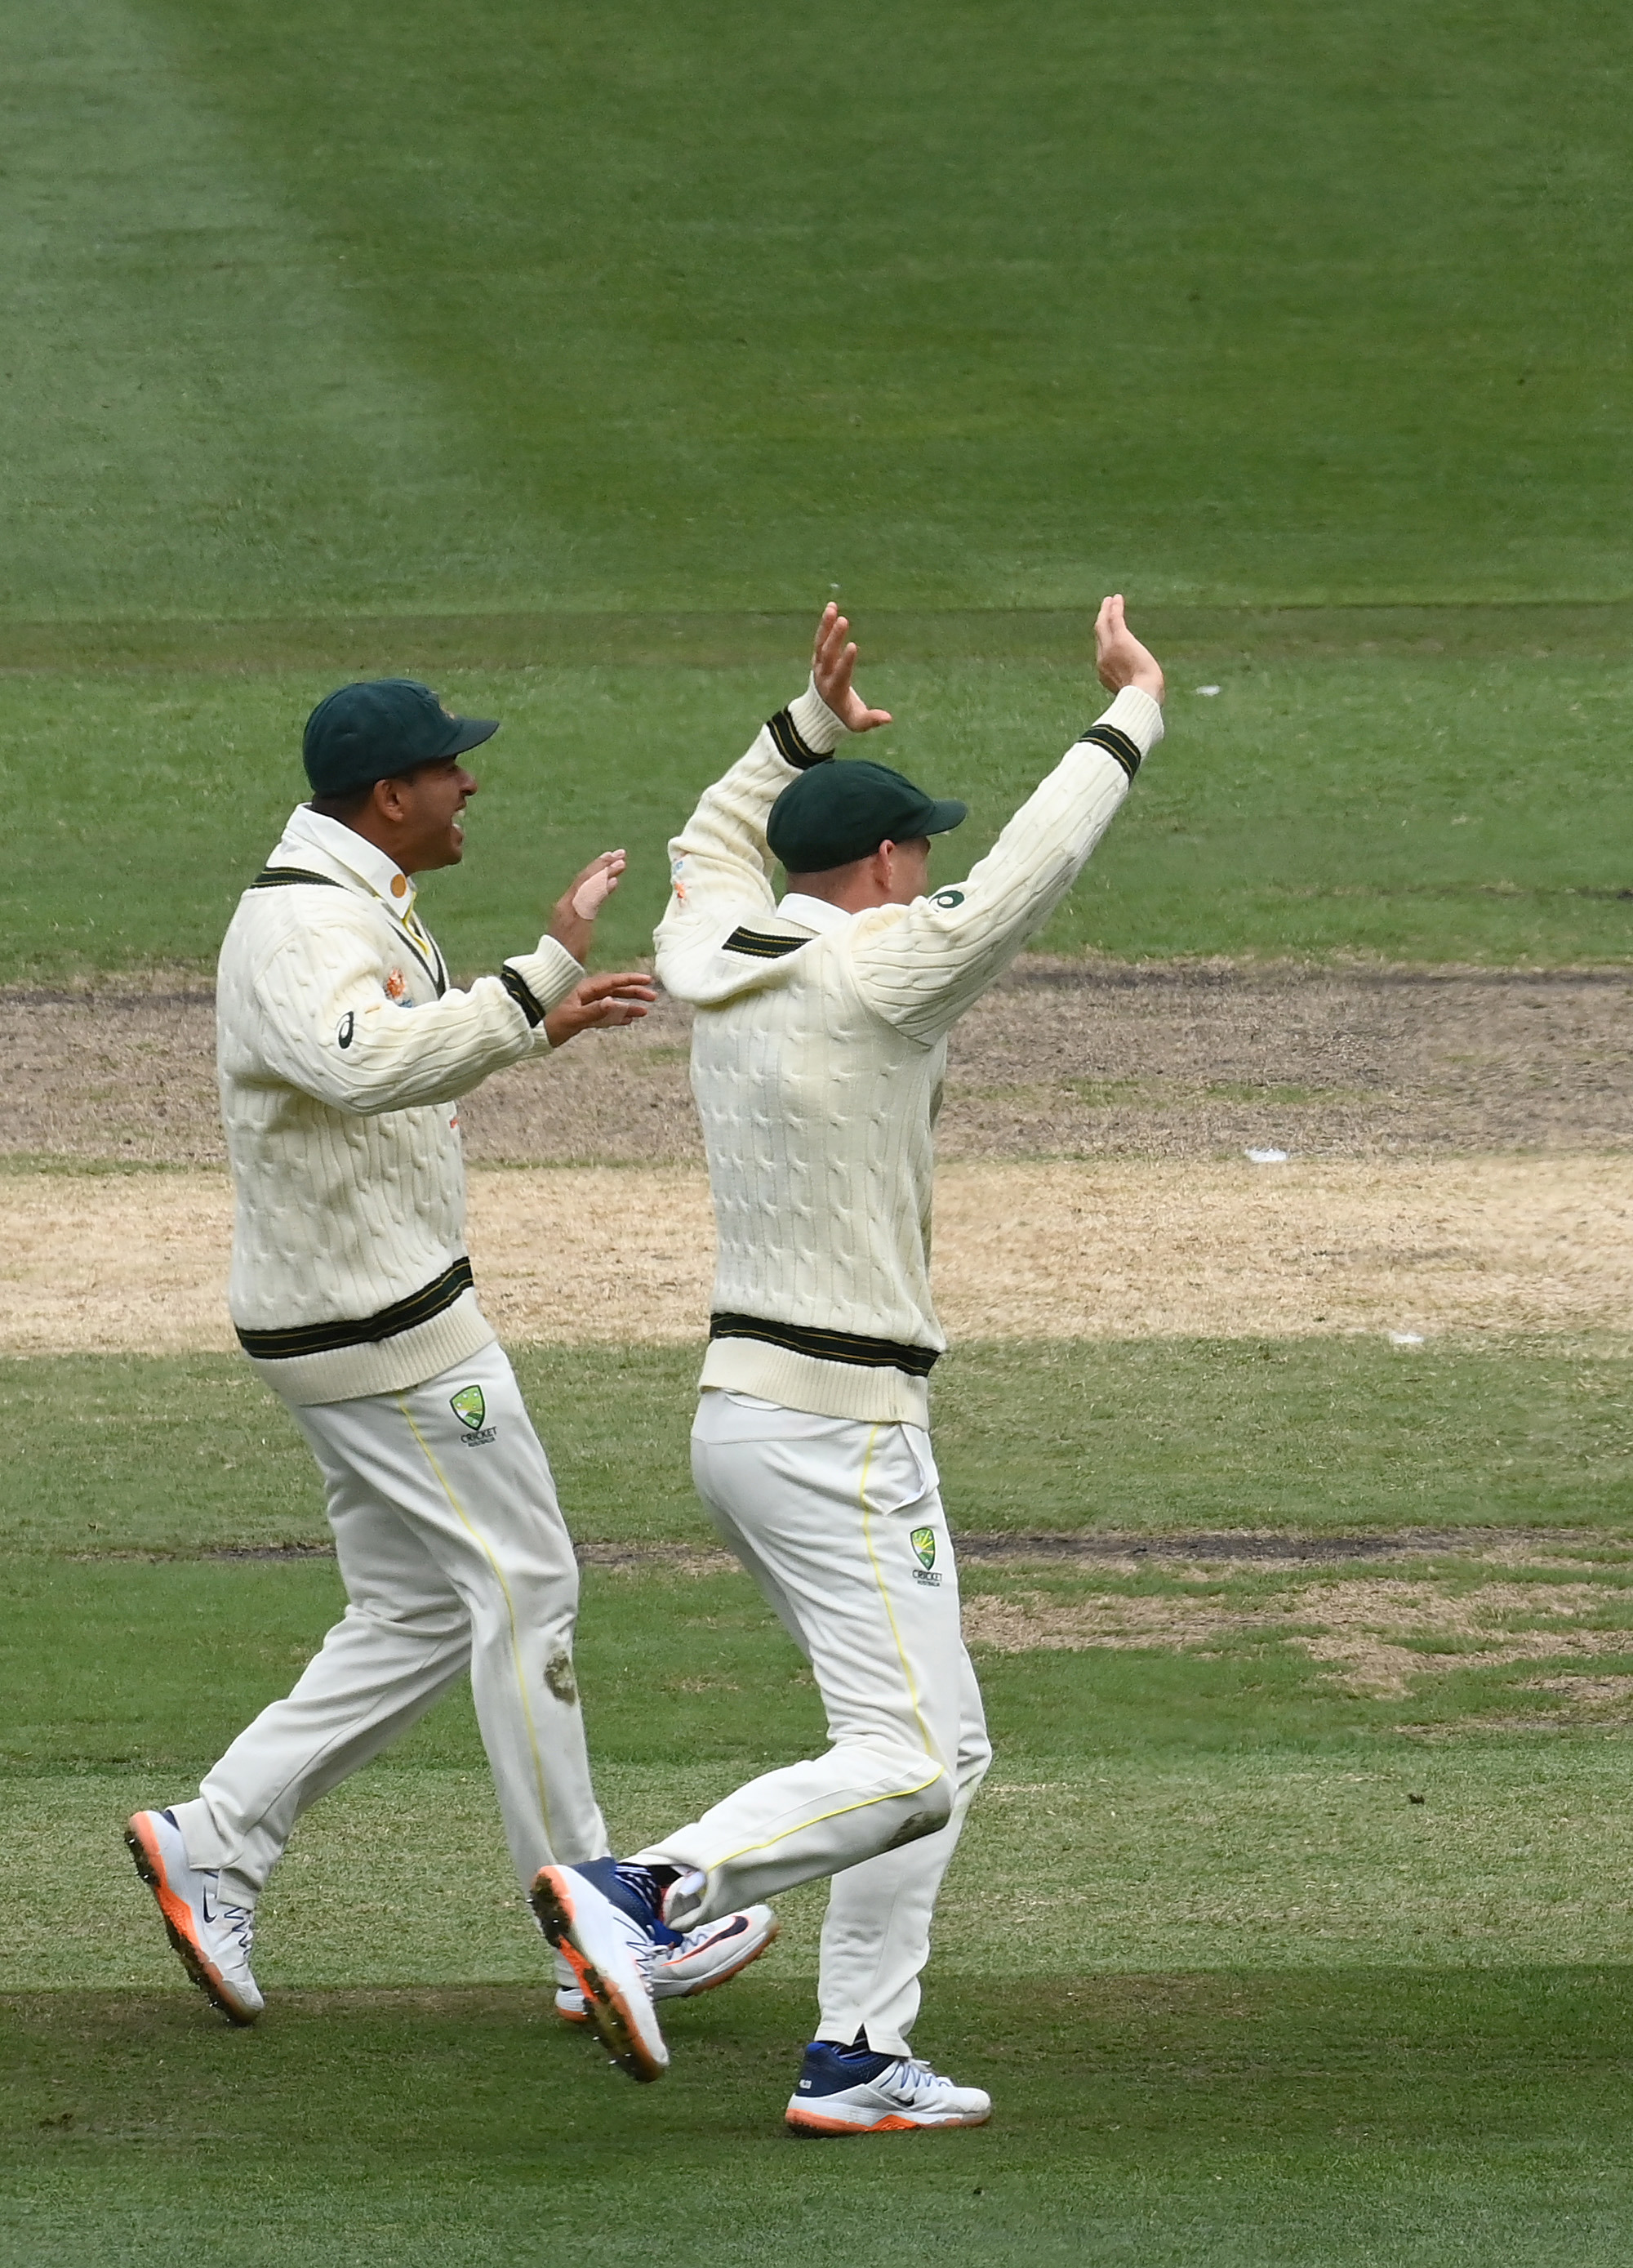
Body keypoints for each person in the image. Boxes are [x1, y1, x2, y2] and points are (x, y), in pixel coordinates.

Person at [532, 600, 1166, 2133]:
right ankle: (650, 1888)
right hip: (839, 1423)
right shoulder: (885, 968)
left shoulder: (704, 946)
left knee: (939, 1742)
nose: (929, 873)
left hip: (749, 1411)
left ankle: (859, 2052)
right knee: (905, 1757)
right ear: (882, 869)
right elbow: (1029, 871)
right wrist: (1132, 710)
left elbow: (707, 830)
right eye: (915, 854)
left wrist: (801, 729)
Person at [128, 676, 777, 2034]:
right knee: (528, 1587)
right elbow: (356, 1062)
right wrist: (531, 979)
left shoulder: (343, 894)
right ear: (389, 795)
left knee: (419, 1612)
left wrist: (533, 1019)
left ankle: (217, 1838)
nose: (469, 785)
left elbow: (378, 1072)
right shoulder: (305, 921)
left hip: (355, 1311)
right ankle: (592, 1916)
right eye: (449, 770)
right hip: (384, 1330)